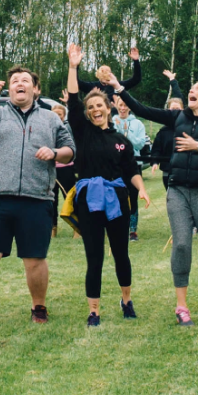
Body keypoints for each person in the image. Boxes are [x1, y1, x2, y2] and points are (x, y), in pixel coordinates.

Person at [116, 77, 198, 326]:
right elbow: (142, 110)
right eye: (191, 87)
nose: (192, 90)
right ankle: (181, 307)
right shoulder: (178, 117)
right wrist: (120, 89)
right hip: (177, 190)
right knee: (182, 245)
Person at [0, 67, 76, 324]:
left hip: (37, 198)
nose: (19, 84)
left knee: (35, 258)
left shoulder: (51, 118)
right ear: (9, 89)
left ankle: (39, 308)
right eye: (14, 81)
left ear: (36, 89)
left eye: (25, 81)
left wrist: (55, 153)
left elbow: (70, 150)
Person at [67, 45, 152, 326]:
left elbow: (130, 170)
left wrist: (141, 188)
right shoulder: (82, 132)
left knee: (121, 254)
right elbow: (71, 99)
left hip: (117, 200)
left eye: (99, 106)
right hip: (89, 199)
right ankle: (94, 310)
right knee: (95, 257)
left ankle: (127, 301)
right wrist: (73, 67)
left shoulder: (122, 140)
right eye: (90, 107)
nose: (95, 110)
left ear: (109, 107)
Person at [112, 95, 149, 241]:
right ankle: (117, 227)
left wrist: (126, 135)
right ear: (116, 105)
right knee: (116, 197)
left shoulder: (138, 124)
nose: (123, 108)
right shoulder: (111, 122)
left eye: (126, 105)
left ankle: (133, 230)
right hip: (115, 166)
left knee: (133, 197)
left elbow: (140, 144)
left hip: (133, 165)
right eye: (120, 105)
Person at [150, 71, 185, 190]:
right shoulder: (163, 132)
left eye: (178, 109)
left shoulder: (188, 128)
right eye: (172, 109)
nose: (175, 112)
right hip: (167, 171)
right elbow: (156, 149)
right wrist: (155, 162)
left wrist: (173, 81)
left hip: (184, 170)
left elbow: (179, 96)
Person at [77, 47, 143, 103]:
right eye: (102, 71)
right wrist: (76, 65)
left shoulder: (117, 85)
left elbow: (136, 79)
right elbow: (76, 82)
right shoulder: (93, 87)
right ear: (98, 74)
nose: (105, 73)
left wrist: (136, 61)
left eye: (107, 71)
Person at [50, 100, 76, 237]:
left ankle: (77, 227)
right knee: (51, 199)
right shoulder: (47, 127)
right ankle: (52, 228)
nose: (57, 117)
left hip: (66, 168)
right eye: (55, 114)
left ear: (64, 115)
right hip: (51, 169)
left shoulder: (67, 128)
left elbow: (71, 146)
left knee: (70, 197)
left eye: (60, 114)